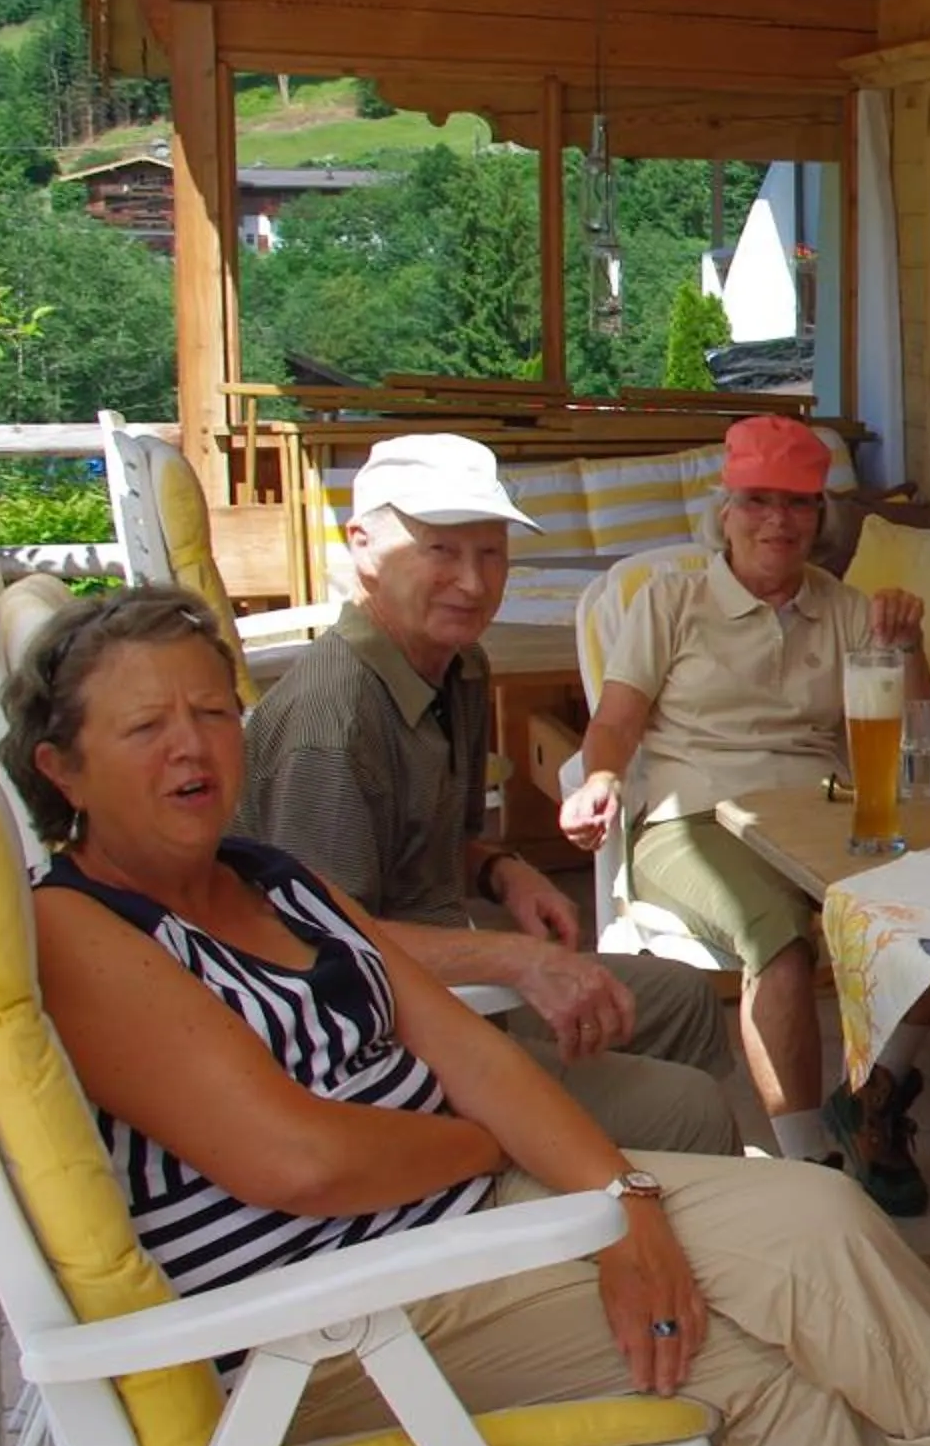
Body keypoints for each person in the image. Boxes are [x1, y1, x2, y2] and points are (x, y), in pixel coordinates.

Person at [1, 589, 930, 1446]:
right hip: (332, 1326)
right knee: (765, 1356)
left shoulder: (269, 876)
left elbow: (476, 1056)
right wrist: (500, 1159)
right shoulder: (83, 931)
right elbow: (300, 1162)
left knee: (817, 1221)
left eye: (211, 709)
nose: (193, 747)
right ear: (64, 769)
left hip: (466, 1238)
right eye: (146, 725)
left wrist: (626, 1208)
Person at [238, 433, 739, 1159]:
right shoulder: (331, 723)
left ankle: (634, 1194)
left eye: (491, 552)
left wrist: (504, 870)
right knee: (688, 1110)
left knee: (684, 998)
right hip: (373, 1045)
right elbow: (319, 946)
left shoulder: (458, 667)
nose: (473, 584)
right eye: (440, 550)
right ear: (363, 548)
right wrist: (516, 962)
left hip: (441, 980)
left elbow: (434, 836)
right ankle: (597, 1213)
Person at [556, 416, 930, 1212]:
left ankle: (872, 1101)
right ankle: (808, 1167)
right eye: (758, 500)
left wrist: (909, 646)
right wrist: (597, 780)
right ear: (724, 512)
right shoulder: (671, 601)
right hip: (689, 818)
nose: (779, 521)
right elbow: (618, 719)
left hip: (819, 814)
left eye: (799, 504)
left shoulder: (847, 608)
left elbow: (917, 740)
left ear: (821, 517)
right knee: (779, 939)